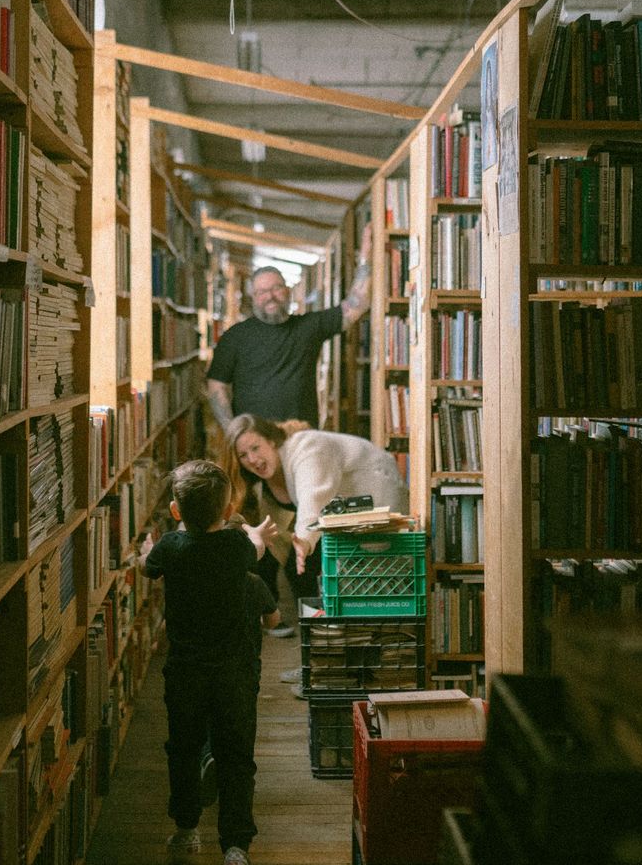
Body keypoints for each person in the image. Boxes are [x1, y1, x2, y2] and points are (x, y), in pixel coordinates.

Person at [220, 414, 409, 694]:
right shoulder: (279, 466)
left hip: (378, 509)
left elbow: (314, 495)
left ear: (272, 440)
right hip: (353, 522)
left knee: (353, 592)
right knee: (319, 584)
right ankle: (320, 663)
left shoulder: (307, 446)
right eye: (244, 455)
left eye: (256, 447)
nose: (253, 459)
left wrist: (304, 540)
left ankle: (329, 670)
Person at [141, 460, 268, 865]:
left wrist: (148, 549)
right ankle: (235, 845)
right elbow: (255, 551)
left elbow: (149, 567)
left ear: (176, 512)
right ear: (228, 510)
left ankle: (186, 829)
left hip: (185, 672)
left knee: (182, 748)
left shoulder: (170, 548)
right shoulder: (236, 547)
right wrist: (253, 532)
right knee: (237, 756)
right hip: (235, 671)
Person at [205, 223, 373, 430]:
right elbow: (216, 385)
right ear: (254, 297)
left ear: (288, 291)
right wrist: (232, 430)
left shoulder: (310, 326)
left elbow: (358, 304)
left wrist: (366, 254)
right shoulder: (235, 336)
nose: (270, 296)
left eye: (277, 288)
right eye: (262, 291)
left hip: (301, 438)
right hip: (254, 444)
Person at [200, 571, 279, 809]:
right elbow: (272, 620)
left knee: (208, 713)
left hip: (205, 664)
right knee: (241, 720)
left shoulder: (200, 580)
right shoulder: (253, 582)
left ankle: (208, 756)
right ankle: (237, 775)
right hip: (243, 667)